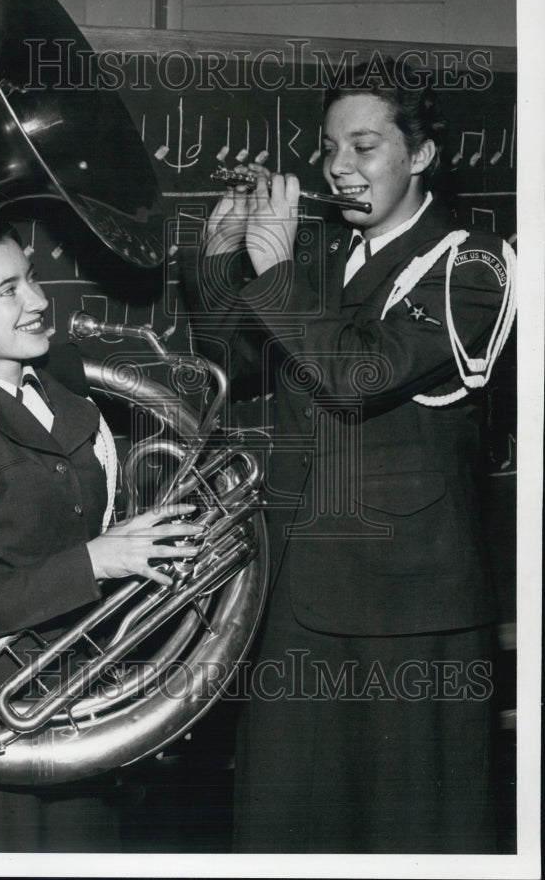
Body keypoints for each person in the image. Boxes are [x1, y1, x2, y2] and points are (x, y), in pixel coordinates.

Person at [179, 65, 516, 853]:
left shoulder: (478, 265)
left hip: (409, 615)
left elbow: (355, 376)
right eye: (329, 148)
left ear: (422, 154)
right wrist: (218, 257)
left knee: (412, 837)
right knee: (289, 832)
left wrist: (277, 271)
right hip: (298, 593)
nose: (337, 168)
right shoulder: (326, 260)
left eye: (364, 146)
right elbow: (233, 366)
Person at [0, 217, 202, 852]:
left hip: (82, 711)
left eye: (31, 278)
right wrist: (97, 562)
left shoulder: (60, 387)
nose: (37, 299)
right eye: (8, 289)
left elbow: (76, 522)